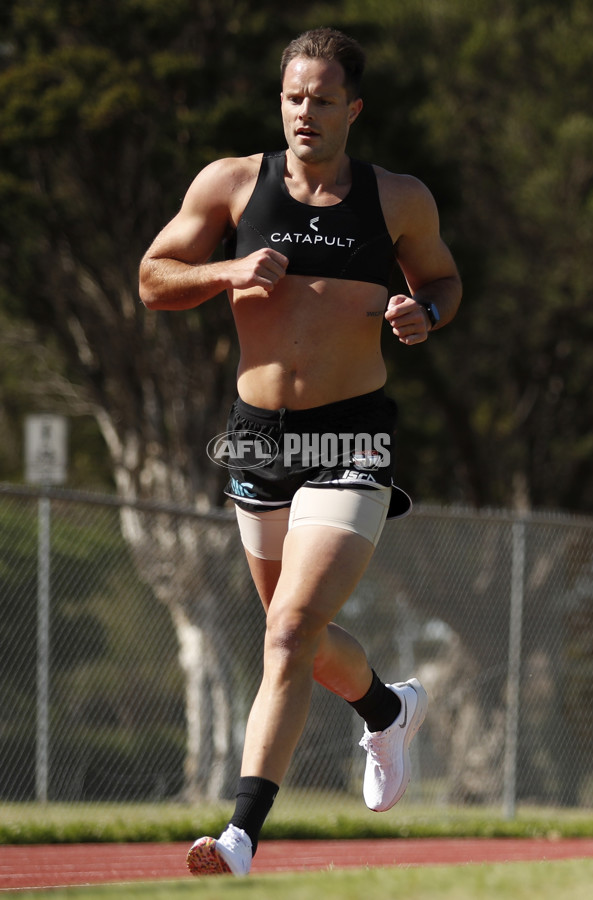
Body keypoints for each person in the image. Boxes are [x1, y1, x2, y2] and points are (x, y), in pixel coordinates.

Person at [139, 27, 461, 877]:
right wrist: (225, 272)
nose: (305, 113)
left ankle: (241, 833)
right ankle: (388, 710)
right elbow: (153, 276)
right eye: (293, 97)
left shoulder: (397, 199)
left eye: (322, 99)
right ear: (278, 101)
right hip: (257, 440)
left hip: (352, 435)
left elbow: (444, 280)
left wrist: (424, 315)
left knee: (287, 631)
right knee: (302, 639)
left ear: (353, 108)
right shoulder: (233, 184)